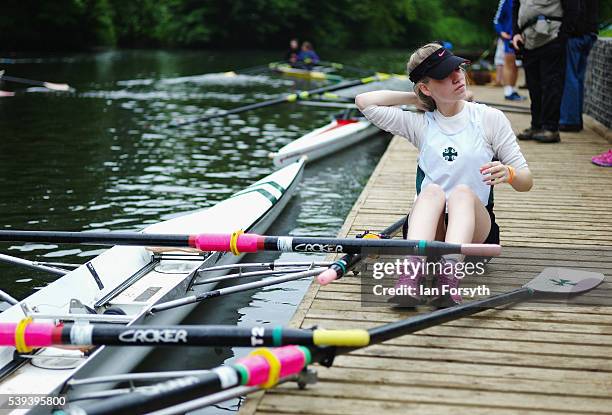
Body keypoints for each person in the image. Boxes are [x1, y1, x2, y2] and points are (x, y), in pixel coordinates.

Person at [355, 43, 533, 308]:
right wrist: (415, 99)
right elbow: (364, 102)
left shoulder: (489, 119)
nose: (457, 76)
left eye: (457, 68)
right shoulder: (420, 124)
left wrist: (508, 173)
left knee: (462, 193)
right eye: (444, 75)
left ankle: (448, 280)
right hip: (430, 232)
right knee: (431, 192)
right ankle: (410, 278)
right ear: (426, 88)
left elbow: (526, 181)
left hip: (475, 236)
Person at [512, 0, 579, 143]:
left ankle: (551, 128)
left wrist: (562, 37)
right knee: (533, 86)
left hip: (552, 38)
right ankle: (536, 125)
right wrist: (516, 32)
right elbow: (517, 6)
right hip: (528, 40)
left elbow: (573, 8)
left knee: (551, 85)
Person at [559, 0, 599, 132]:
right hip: (590, 33)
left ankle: (569, 121)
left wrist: (565, 32)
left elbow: (574, 9)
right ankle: (576, 119)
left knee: (570, 77)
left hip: (575, 35)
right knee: (578, 79)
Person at [493, 0, 525, 101]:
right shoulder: (505, 1)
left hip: (523, 36)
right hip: (510, 36)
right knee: (509, 63)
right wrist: (501, 32)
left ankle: (512, 89)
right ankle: (508, 91)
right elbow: (497, 20)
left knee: (516, 65)